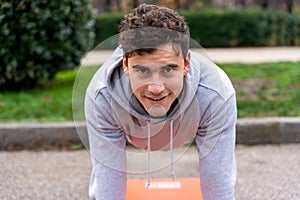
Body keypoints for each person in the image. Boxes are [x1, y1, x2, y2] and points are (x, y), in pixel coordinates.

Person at [85, 4, 237, 200]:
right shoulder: (103, 97)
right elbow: (108, 186)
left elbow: (219, 186)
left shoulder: (216, 94)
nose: (155, 88)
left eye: (168, 70)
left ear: (186, 64)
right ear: (125, 65)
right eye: (142, 70)